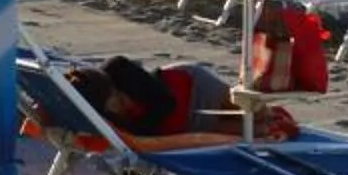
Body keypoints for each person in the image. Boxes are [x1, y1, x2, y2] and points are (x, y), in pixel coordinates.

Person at [88, 55, 239, 143]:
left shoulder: (116, 70)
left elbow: (166, 102)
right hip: (188, 127)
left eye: (119, 99)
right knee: (254, 133)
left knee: (255, 113)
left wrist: (138, 134)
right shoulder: (99, 112)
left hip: (193, 88)